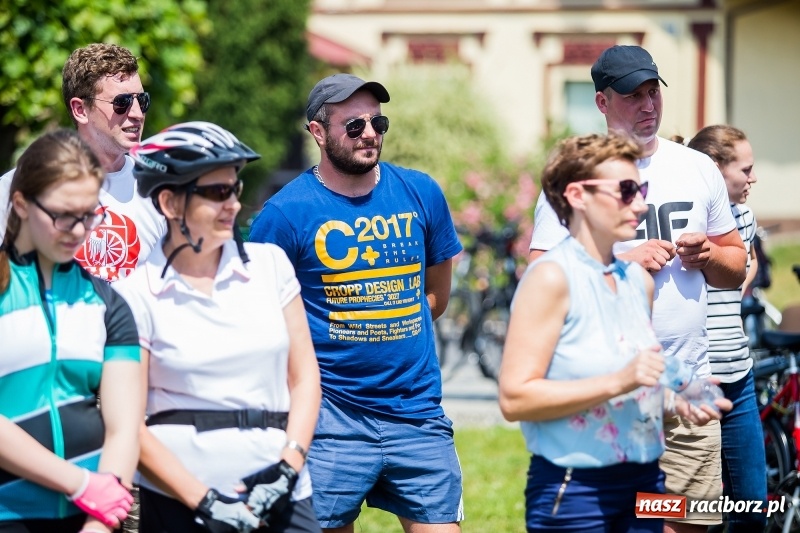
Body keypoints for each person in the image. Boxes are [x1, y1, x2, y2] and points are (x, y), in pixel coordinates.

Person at [527, 45, 747, 531]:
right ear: (602, 102)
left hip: (688, 386)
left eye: (653, 92)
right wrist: (626, 260)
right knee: (628, 521)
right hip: (610, 397)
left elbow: (736, 265)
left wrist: (709, 256)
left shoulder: (697, 167)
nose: (648, 106)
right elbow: (540, 273)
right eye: (633, 96)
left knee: (686, 523)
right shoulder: (579, 177)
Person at [249, 73, 464, 533]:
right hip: (329, 419)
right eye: (354, 125)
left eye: (377, 123)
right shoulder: (285, 214)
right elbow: (261, 320)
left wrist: (388, 323)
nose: (369, 133)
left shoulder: (421, 192)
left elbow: (437, 294)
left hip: (417, 414)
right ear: (318, 131)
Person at [499, 132, 730, 532]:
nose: (639, 204)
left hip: (646, 478)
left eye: (641, 190)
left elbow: (635, 379)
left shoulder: (637, 281)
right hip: (577, 490)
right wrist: (619, 380)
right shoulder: (550, 278)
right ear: (577, 196)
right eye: (626, 191)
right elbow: (515, 398)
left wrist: (675, 398)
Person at [113, 121, 322, 533]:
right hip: (180, 503)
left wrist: (289, 466)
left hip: (282, 490)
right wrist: (204, 500)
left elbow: (305, 378)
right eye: (217, 192)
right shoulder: (134, 292)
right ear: (170, 203)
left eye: (235, 189)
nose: (233, 204)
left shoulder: (271, 266)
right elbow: (128, 424)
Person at [0, 129, 141, 532]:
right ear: (21, 204)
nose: (78, 231)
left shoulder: (107, 303)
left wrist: (99, 520)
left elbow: (124, 428)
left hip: (90, 518)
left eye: (89, 215)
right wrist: (79, 483)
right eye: (64, 215)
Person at [0, 43, 165, 282]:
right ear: (80, 109)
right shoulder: (18, 187)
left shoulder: (161, 190)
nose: (138, 113)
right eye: (122, 102)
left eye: (142, 100)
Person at [685, 125, 765, 531]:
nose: (753, 178)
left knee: (752, 508)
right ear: (714, 167)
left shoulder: (745, 218)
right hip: (696, 383)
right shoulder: (686, 217)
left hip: (739, 379)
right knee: (690, 513)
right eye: (745, 169)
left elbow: (744, 268)